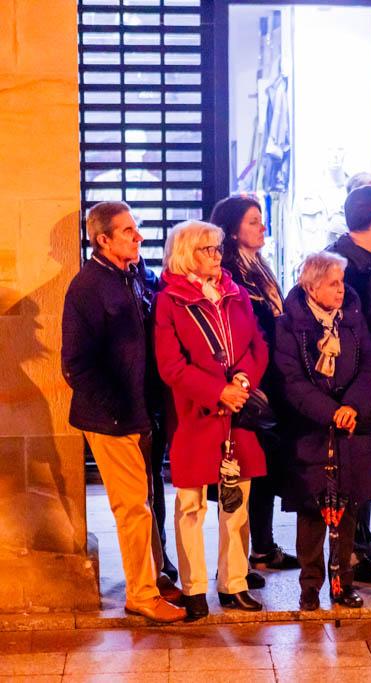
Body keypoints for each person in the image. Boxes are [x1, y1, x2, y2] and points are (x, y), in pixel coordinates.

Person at [61, 202, 186, 624]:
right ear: (104, 239)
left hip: (141, 411)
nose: (139, 237)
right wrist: (116, 408)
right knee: (132, 507)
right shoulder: (87, 287)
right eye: (129, 231)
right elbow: (75, 365)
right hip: (112, 418)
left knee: (146, 502)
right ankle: (142, 595)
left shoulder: (134, 275)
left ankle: (153, 578)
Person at [154, 221, 268, 620]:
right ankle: (194, 588)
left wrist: (243, 381)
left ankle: (234, 583)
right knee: (191, 505)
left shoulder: (236, 293)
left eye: (218, 248)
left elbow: (256, 344)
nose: (217, 256)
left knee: (237, 502)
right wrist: (218, 391)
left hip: (238, 414)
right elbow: (170, 365)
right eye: (208, 249)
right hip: (195, 415)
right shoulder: (169, 301)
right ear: (186, 254)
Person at [274, 252, 371, 611]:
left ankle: (343, 583)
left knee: (348, 508)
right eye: (333, 283)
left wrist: (352, 408)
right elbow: (291, 380)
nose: (341, 289)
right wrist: (331, 412)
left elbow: (370, 367)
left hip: (351, 430)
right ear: (311, 287)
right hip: (311, 430)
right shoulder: (289, 324)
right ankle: (310, 585)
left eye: (342, 282)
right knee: (311, 512)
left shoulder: (352, 317)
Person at [209, 195, 298, 585]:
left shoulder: (258, 266)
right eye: (253, 221)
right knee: (242, 470)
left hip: (271, 376)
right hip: (246, 381)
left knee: (265, 468)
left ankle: (263, 545)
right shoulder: (230, 273)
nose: (262, 227)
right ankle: (235, 560)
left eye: (262, 220)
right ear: (232, 230)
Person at [324, 185, 371, 586]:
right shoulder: (346, 266)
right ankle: (349, 555)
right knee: (355, 472)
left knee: (370, 468)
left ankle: (362, 543)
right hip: (354, 386)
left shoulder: (369, 261)